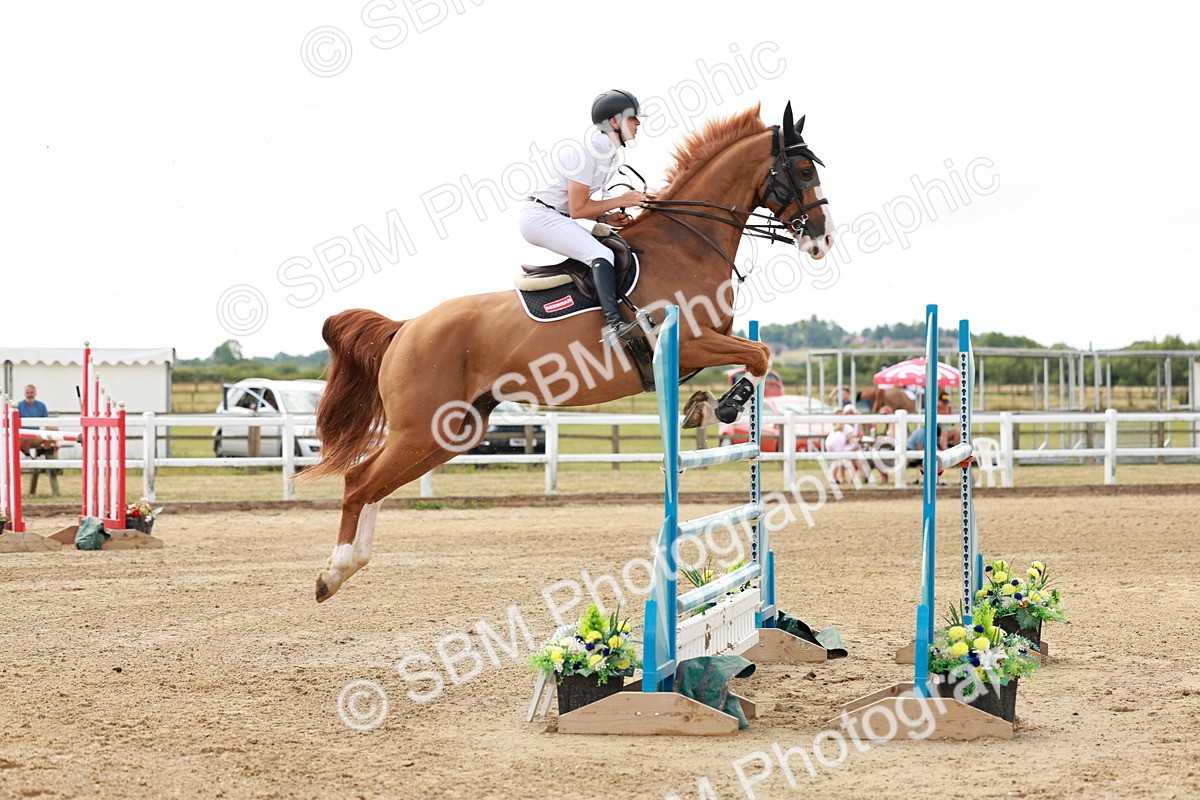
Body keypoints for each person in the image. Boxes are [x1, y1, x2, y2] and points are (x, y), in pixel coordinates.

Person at [520, 89, 648, 349]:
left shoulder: (610, 154)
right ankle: (614, 326)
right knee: (602, 255)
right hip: (540, 217)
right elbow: (578, 209)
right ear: (614, 122)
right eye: (633, 118)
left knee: (610, 245)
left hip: (558, 215)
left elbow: (586, 207)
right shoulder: (587, 151)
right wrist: (623, 200)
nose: (638, 123)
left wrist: (608, 216)